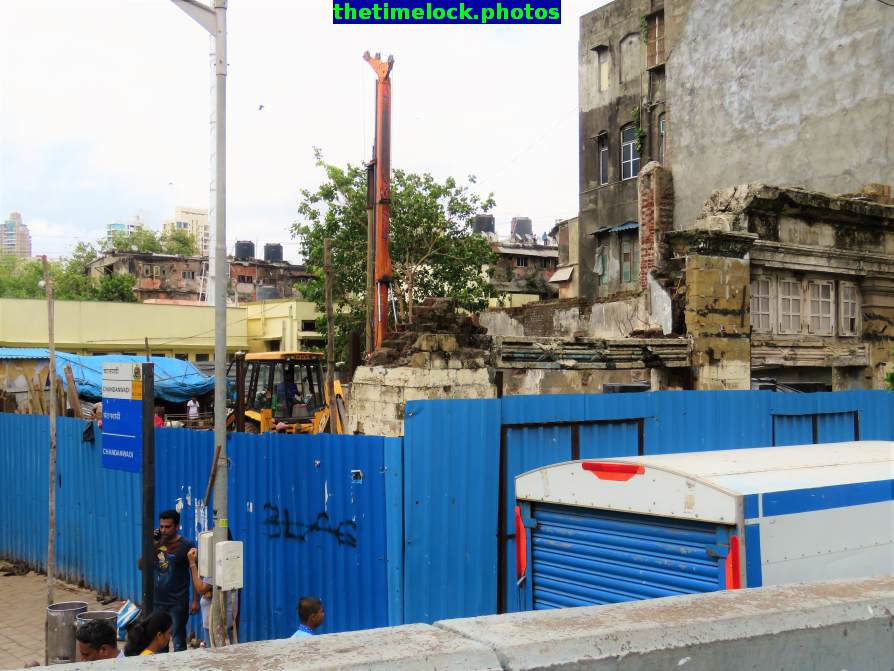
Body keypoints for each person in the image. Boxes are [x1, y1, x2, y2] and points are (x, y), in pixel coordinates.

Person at [137, 510, 197, 652]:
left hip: (178, 603)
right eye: (161, 526)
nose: (163, 530)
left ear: (177, 526)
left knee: (178, 640)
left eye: (167, 527)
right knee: (159, 642)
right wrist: (152, 544)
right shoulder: (156, 544)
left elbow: (195, 573)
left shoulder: (187, 545)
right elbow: (141, 566)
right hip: (158, 603)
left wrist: (195, 600)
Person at [187, 545, 240, 646]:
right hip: (218, 618)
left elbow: (200, 588)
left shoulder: (216, 564)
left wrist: (192, 563)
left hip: (216, 620)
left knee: (215, 651)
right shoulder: (229, 561)